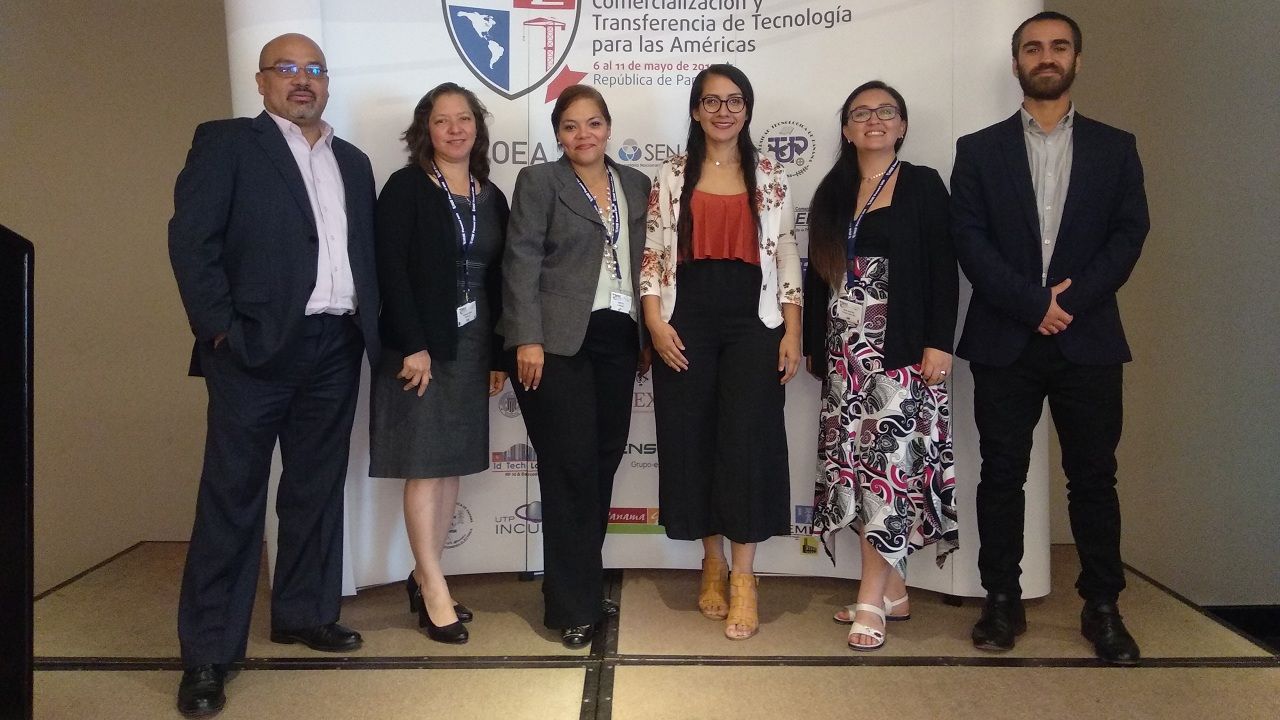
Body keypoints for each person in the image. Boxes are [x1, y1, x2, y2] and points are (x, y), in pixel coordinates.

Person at [168, 33, 379, 717]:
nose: (302, 80)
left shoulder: (353, 161)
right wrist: (221, 330)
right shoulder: (228, 144)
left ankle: (304, 613)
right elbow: (191, 241)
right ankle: (208, 653)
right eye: (286, 69)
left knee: (315, 488)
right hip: (253, 351)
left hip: (335, 346)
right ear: (261, 82)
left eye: (314, 69)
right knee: (232, 498)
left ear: (328, 82)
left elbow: (363, 254)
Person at [951, 11, 1149, 665]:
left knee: (1093, 478)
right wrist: (1033, 304)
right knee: (1001, 475)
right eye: (1033, 48)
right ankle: (1001, 600)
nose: (1046, 57)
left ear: (1077, 60)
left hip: (1088, 339)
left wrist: (1068, 303)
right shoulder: (978, 150)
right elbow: (969, 239)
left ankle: (1103, 607)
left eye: (1059, 47)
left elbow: (1129, 234)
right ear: (1016, 63)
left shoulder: (1115, 147)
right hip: (1004, 338)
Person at [642, 64, 803, 641]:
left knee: (747, 443)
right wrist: (654, 321)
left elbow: (785, 251)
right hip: (686, 319)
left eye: (734, 101)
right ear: (695, 110)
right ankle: (710, 561)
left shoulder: (771, 174)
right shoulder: (671, 174)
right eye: (711, 101)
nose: (723, 111)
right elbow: (654, 252)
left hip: (753, 322)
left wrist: (792, 329)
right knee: (693, 439)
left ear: (748, 109)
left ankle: (744, 577)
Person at [803, 81, 959, 651]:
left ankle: (870, 599)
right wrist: (817, 348)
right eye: (861, 113)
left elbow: (943, 266)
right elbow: (819, 276)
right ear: (846, 129)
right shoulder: (833, 190)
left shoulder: (922, 184)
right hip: (845, 356)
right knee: (853, 469)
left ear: (902, 125)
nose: (874, 120)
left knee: (885, 474)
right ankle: (894, 591)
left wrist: (939, 342)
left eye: (886, 111)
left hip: (900, 351)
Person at [500, 85, 652, 648]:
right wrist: (527, 338)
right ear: (558, 135)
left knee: (602, 462)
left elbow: (646, 260)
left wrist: (646, 333)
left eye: (593, 123)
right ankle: (572, 605)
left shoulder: (635, 184)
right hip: (555, 343)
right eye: (570, 126)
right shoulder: (540, 182)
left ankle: (580, 585)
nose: (582, 134)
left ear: (608, 128)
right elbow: (521, 260)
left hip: (618, 336)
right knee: (568, 469)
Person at [368, 83, 508, 645]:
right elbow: (390, 270)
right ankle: (432, 586)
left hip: (471, 345)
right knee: (425, 465)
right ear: (425, 130)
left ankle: (426, 574)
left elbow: (497, 281)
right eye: (442, 120)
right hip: (422, 346)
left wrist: (496, 354)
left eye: (464, 118)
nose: (455, 129)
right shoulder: (406, 187)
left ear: (477, 127)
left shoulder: (489, 195)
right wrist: (412, 343)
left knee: (450, 465)